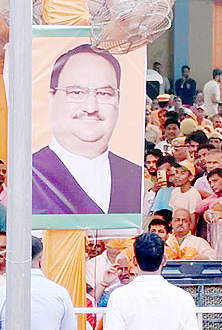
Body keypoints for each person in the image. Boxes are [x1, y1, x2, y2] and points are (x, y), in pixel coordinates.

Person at [32, 44, 141, 215]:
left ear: (118, 100)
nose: (91, 107)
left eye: (104, 94)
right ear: (52, 98)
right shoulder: (31, 172)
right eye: (76, 92)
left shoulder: (134, 176)